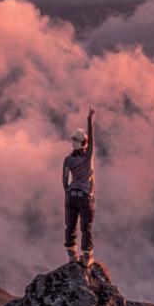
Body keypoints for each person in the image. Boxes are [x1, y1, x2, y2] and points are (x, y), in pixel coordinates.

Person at [63, 106, 95, 265]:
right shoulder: (87, 157)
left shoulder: (68, 160)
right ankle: (87, 256)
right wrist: (90, 121)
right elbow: (92, 141)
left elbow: (64, 179)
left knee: (70, 225)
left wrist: (67, 193)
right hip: (84, 195)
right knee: (85, 226)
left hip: (71, 194)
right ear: (84, 142)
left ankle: (71, 254)